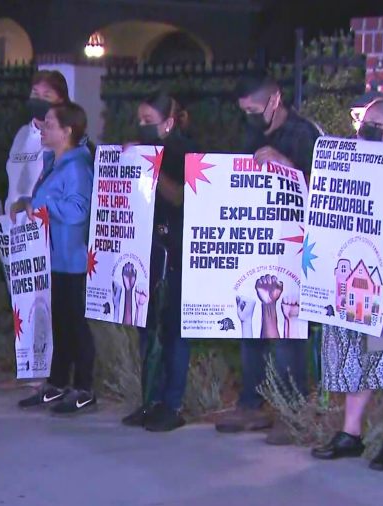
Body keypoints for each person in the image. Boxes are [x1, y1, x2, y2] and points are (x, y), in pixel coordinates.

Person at [311, 100, 383, 471]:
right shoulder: (356, 154)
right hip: (356, 271)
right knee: (355, 355)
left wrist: (371, 168)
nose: (368, 130)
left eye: (378, 125)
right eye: (367, 122)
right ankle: (351, 433)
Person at [214, 75, 322, 445]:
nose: (249, 117)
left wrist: (284, 164)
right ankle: (251, 404)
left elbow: (322, 190)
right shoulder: (251, 134)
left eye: (254, 110)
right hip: (257, 240)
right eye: (244, 111)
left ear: (275, 100)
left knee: (288, 330)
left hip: (293, 246)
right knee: (250, 323)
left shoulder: (306, 134)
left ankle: (293, 412)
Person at [120, 91, 199, 432]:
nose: (143, 127)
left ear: (168, 123)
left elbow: (182, 196)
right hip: (146, 248)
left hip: (176, 249)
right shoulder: (143, 148)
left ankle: (172, 402)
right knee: (147, 325)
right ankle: (150, 398)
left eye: (149, 122)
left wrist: (148, 166)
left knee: (173, 329)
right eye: (140, 121)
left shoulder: (183, 152)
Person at [12, 102, 96, 416]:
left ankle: (84, 388)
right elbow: (47, 198)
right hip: (54, 258)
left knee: (75, 325)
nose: (43, 128)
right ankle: (58, 383)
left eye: (49, 124)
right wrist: (27, 203)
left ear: (67, 131)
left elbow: (78, 210)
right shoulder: (55, 161)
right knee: (59, 323)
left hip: (72, 259)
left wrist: (45, 209)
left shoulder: (76, 167)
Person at [5, 71, 95, 215]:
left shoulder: (66, 143)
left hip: (43, 223)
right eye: (35, 94)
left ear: (60, 101)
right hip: (14, 224)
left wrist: (36, 204)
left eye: (46, 96)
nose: (39, 100)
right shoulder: (21, 133)